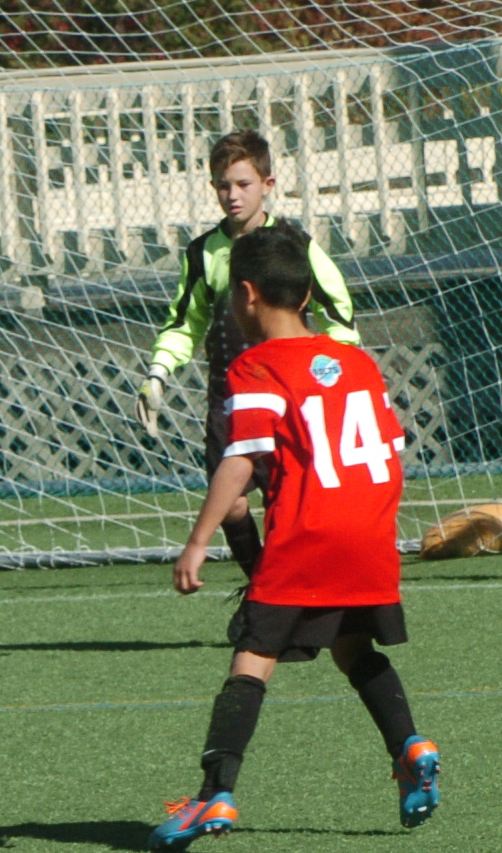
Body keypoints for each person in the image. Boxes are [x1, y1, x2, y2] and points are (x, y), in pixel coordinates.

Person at [150, 222, 438, 853]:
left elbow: (241, 462)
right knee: (352, 646)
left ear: (246, 295)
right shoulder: (358, 362)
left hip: (308, 534)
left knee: (251, 659)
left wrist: (197, 541)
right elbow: (391, 454)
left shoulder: (255, 367)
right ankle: (411, 747)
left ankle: (214, 792)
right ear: (308, 295)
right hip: (370, 534)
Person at [140, 129, 358, 585]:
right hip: (230, 393)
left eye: (243, 184)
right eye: (223, 185)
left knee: (288, 497)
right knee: (230, 501)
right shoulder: (202, 252)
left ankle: (287, 587)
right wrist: (159, 371)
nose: (233, 195)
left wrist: (331, 367)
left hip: (288, 392)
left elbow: (338, 311)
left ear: (267, 184)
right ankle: (261, 582)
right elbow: (186, 321)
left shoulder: (294, 244)